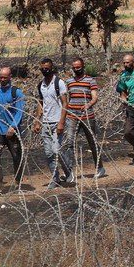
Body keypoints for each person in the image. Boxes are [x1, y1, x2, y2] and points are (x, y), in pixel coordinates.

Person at [32, 58, 75, 188]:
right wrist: (37, 121)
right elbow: (41, 103)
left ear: (52, 68)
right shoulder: (41, 85)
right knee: (48, 152)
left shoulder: (59, 83)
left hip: (57, 121)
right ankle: (55, 178)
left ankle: (68, 172)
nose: (45, 70)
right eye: (42, 69)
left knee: (57, 149)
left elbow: (65, 103)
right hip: (46, 122)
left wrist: (61, 122)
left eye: (47, 68)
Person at [0, 66, 26, 188]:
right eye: (0, 77)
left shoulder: (16, 92)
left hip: (12, 131)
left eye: (5, 77)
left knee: (16, 156)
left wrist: (13, 126)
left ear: (10, 77)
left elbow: (19, 111)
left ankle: (17, 180)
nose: (2, 79)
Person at [65, 57, 107, 179]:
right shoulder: (69, 82)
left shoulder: (90, 81)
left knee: (92, 142)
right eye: (74, 67)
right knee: (69, 143)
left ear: (83, 66)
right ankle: (69, 172)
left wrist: (88, 104)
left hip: (87, 116)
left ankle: (100, 167)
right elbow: (67, 98)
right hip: (72, 115)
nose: (76, 69)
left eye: (78, 67)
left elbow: (95, 97)